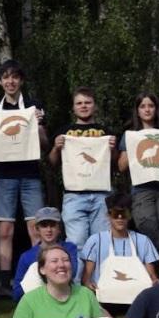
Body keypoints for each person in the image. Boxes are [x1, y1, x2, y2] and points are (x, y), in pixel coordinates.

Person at [0, 60, 48, 290]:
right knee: (5, 230)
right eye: (5, 77)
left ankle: (41, 274)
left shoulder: (33, 106)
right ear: (0, 82)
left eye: (14, 77)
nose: (10, 81)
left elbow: (44, 143)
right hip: (4, 174)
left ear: (21, 80)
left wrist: (39, 126)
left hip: (30, 173)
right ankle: (3, 280)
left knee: (35, 228)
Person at [48, 87, 115, 246]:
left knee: (101, 244)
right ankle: (77, 272)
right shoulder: (64, 132)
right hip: (74, 195)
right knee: (76, 243)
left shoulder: (105, 132)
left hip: (102, 195)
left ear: (95, 106)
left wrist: (114, 149)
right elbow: (51, 162)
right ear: (73, 107)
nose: (83, 106)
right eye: (79, 103)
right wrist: (56, 148)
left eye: (87, 102)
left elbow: (116, 164)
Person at [114, 92, 159, 251]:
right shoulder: (130, 136)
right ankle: (158, 264)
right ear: (137, 111)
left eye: (151, 106)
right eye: (143, 106)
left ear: (156, 109)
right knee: (147, 227)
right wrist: (133, 147)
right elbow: (121, 166)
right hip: (142, 189)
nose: (147, 109)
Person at [79, 191, 159, 316]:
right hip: (105, 300)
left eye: (124, 214)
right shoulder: (95, 240)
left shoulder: (143, 240)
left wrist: (154, 281)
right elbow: (86, 279)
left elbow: (152, 276)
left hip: (136, 299)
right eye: (116, 214)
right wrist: (90, 287)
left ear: (130, 215)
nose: (120, 218)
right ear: (108, 215)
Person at [11, 207, 81, 301]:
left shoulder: (69, 248)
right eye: (44, 225)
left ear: (59, 228)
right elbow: (17, 293)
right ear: (37, 229)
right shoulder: (26, 256)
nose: (49, 230)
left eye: (52, 225)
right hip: (38, 301)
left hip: (65, 296)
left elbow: (71, 273)